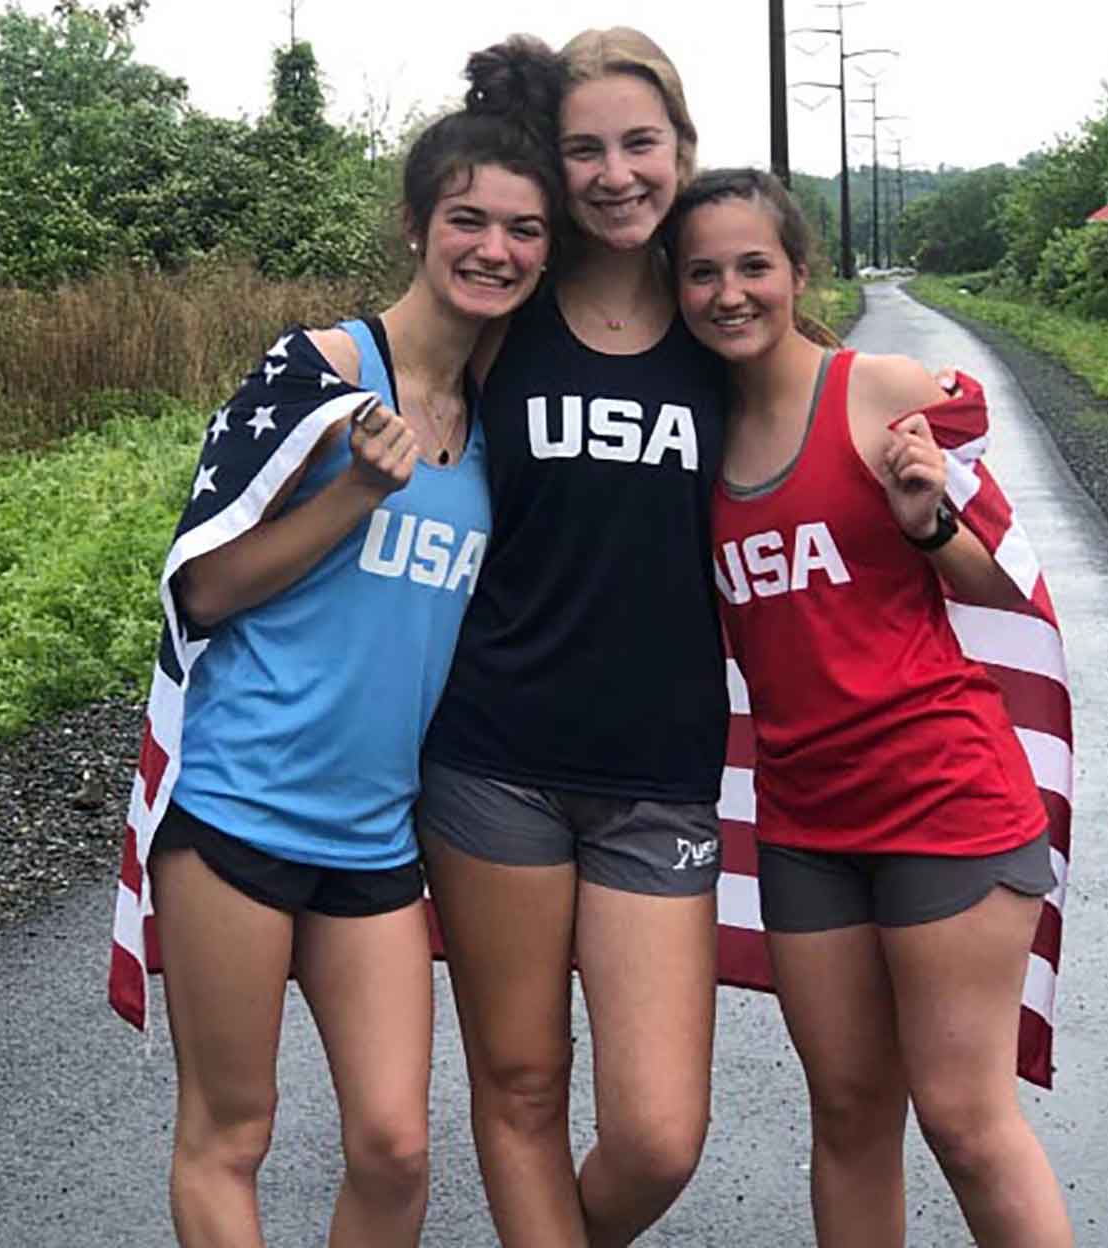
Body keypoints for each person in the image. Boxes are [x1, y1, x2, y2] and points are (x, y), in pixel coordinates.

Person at [106, 42, 562, 1248]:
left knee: (398, 1150)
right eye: (468, 219)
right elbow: (199, 589)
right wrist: (355, 493)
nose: (495, 250)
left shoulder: (505, 419)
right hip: (238, 807)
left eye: (525, 231)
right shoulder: (319, 373)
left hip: (376, 833)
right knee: (230, 1135)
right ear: (417, 225)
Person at [668, 166, 1075, 1248]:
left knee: (966, 1119)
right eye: (700, 272)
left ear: (800, 271)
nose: (729, 292)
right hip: (804, 823)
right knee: (848, 1116)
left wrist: (928, 522)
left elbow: (998, 586)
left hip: (945, 799)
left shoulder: (878, 389)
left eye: (753, 265)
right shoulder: (692, 438)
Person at [417, 27, 728, 1248]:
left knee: (658, 1134)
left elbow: (825, 425)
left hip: (660, 772)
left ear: (682, 150)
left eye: (639, 144)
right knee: (526, 1085)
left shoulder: (720, 315)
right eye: (583, 149)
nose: (613, 174)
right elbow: (398, 391)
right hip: (494, 757)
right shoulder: (506, 310)